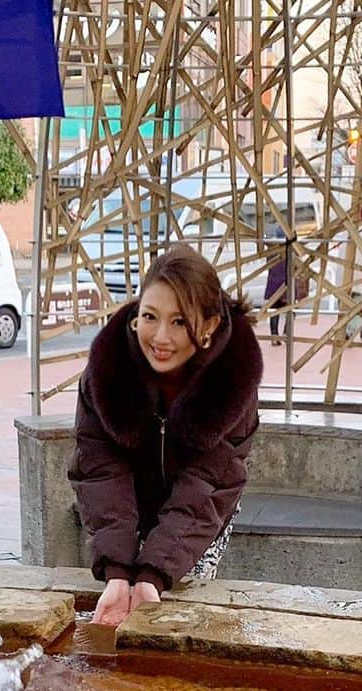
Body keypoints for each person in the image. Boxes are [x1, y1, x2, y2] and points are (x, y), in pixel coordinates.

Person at [69, 244, 263, 627]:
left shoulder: (232, 381)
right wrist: (119, 572)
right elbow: (101, 469)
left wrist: (153, 575)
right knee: (115, 602)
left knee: (173, 617)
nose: (160, 337)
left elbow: (207, 484)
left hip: (203, 503)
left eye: (179, 322)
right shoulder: (109, 371)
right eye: (150, 316)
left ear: (208, 325)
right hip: (127, 498)